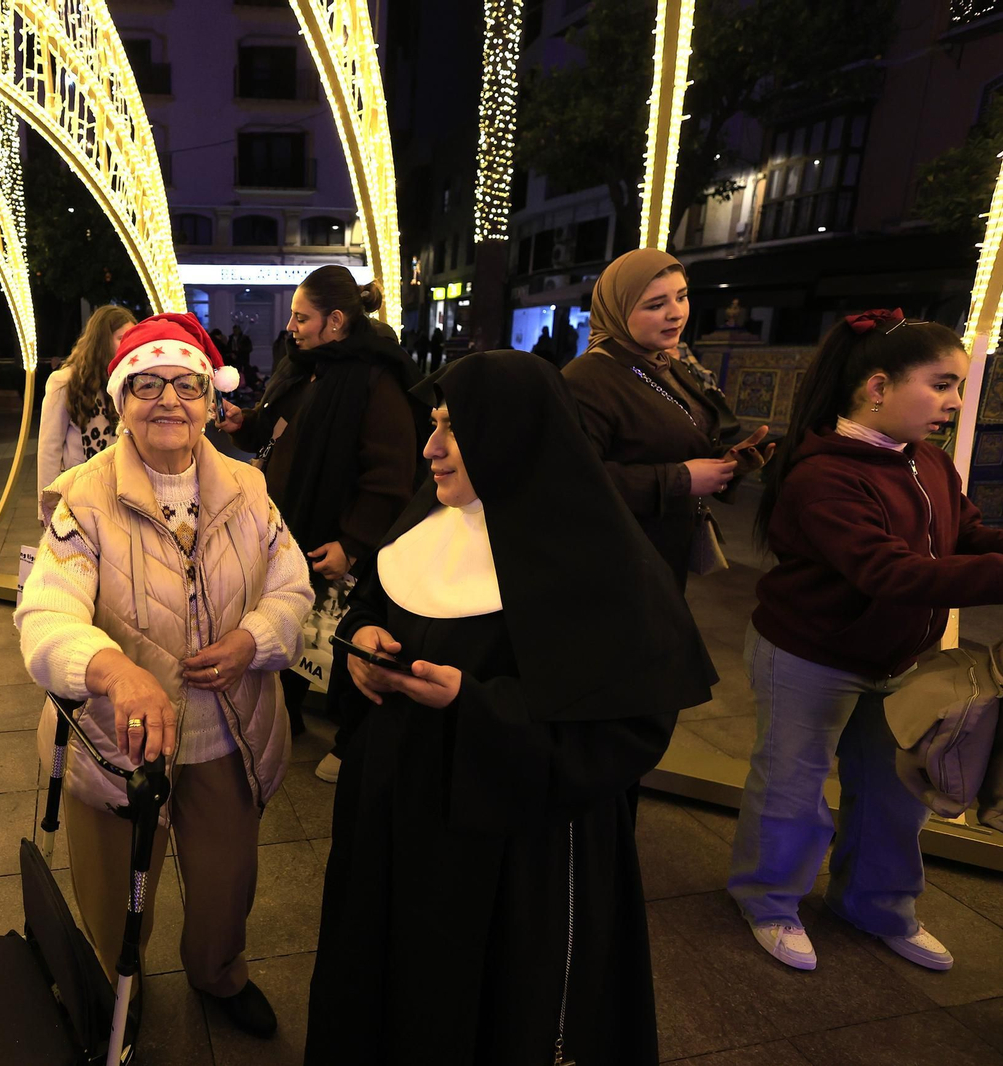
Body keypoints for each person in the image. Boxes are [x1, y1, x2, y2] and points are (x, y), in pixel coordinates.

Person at [305, 352, 716, 1064]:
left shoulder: (599, 561)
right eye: (433, 425)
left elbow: (626, 730)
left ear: (515, 435)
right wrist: (359, 642)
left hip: (515, 848)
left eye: (454, 430)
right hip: (396, 814)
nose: (430, 449)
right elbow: (379, 597)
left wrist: (473, 704)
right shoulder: (424, 519)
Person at [18, 313, 314, 1041]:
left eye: (185, 384)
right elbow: (45, 614)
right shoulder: (81, 497)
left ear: (212, 401)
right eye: (146, 385)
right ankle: (119, 987)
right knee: (114, 893)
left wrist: (254, 639)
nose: (167, 401)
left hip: (228, 730)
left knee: (225, 884)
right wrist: (114, 670)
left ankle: (219, 973)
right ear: (120, 400)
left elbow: (292, 588)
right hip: (118, 741)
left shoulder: (249, 488)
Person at [729, 309, 1003, 974]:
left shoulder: (930, 462)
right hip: (808, 655)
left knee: (895, 794)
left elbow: (964, 534)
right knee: (791, 789)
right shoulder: (824, 474)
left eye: (959, 386)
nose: (954, 402)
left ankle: (878, 907)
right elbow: (889, 572)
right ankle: (769, 902)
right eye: (941, 384)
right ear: (876, 387)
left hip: (900, 662)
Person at [217, 265, 419, 779]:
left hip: (333, 542)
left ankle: (352, 743)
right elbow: (277, 429)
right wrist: (246, 424)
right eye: (291, 315)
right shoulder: (305, 367)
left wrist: (351, 544)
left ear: (335, 320)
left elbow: (389, 475)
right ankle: (286, 721)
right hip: (290, 529)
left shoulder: (375, 380)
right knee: (296, 626)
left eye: (301, 317)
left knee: (342, 635)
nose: (291, 326)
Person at [562, 248, 770, 592]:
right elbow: (574, 481)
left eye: (682, 297)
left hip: (662, 553)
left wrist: (726, 462)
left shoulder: (665, 363)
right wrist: (682, 479)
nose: (676, 314)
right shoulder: (588, 378)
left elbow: (675, 436)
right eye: (655, 305)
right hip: (614, 565)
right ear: (617, 310)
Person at [37, 305, 135, 492]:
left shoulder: (129, 381)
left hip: (120, 489)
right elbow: (49, 448)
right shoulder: (65, 381)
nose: (127, 346)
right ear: (102, 341)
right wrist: (48, 504)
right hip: (78, 490)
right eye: (121, 338)